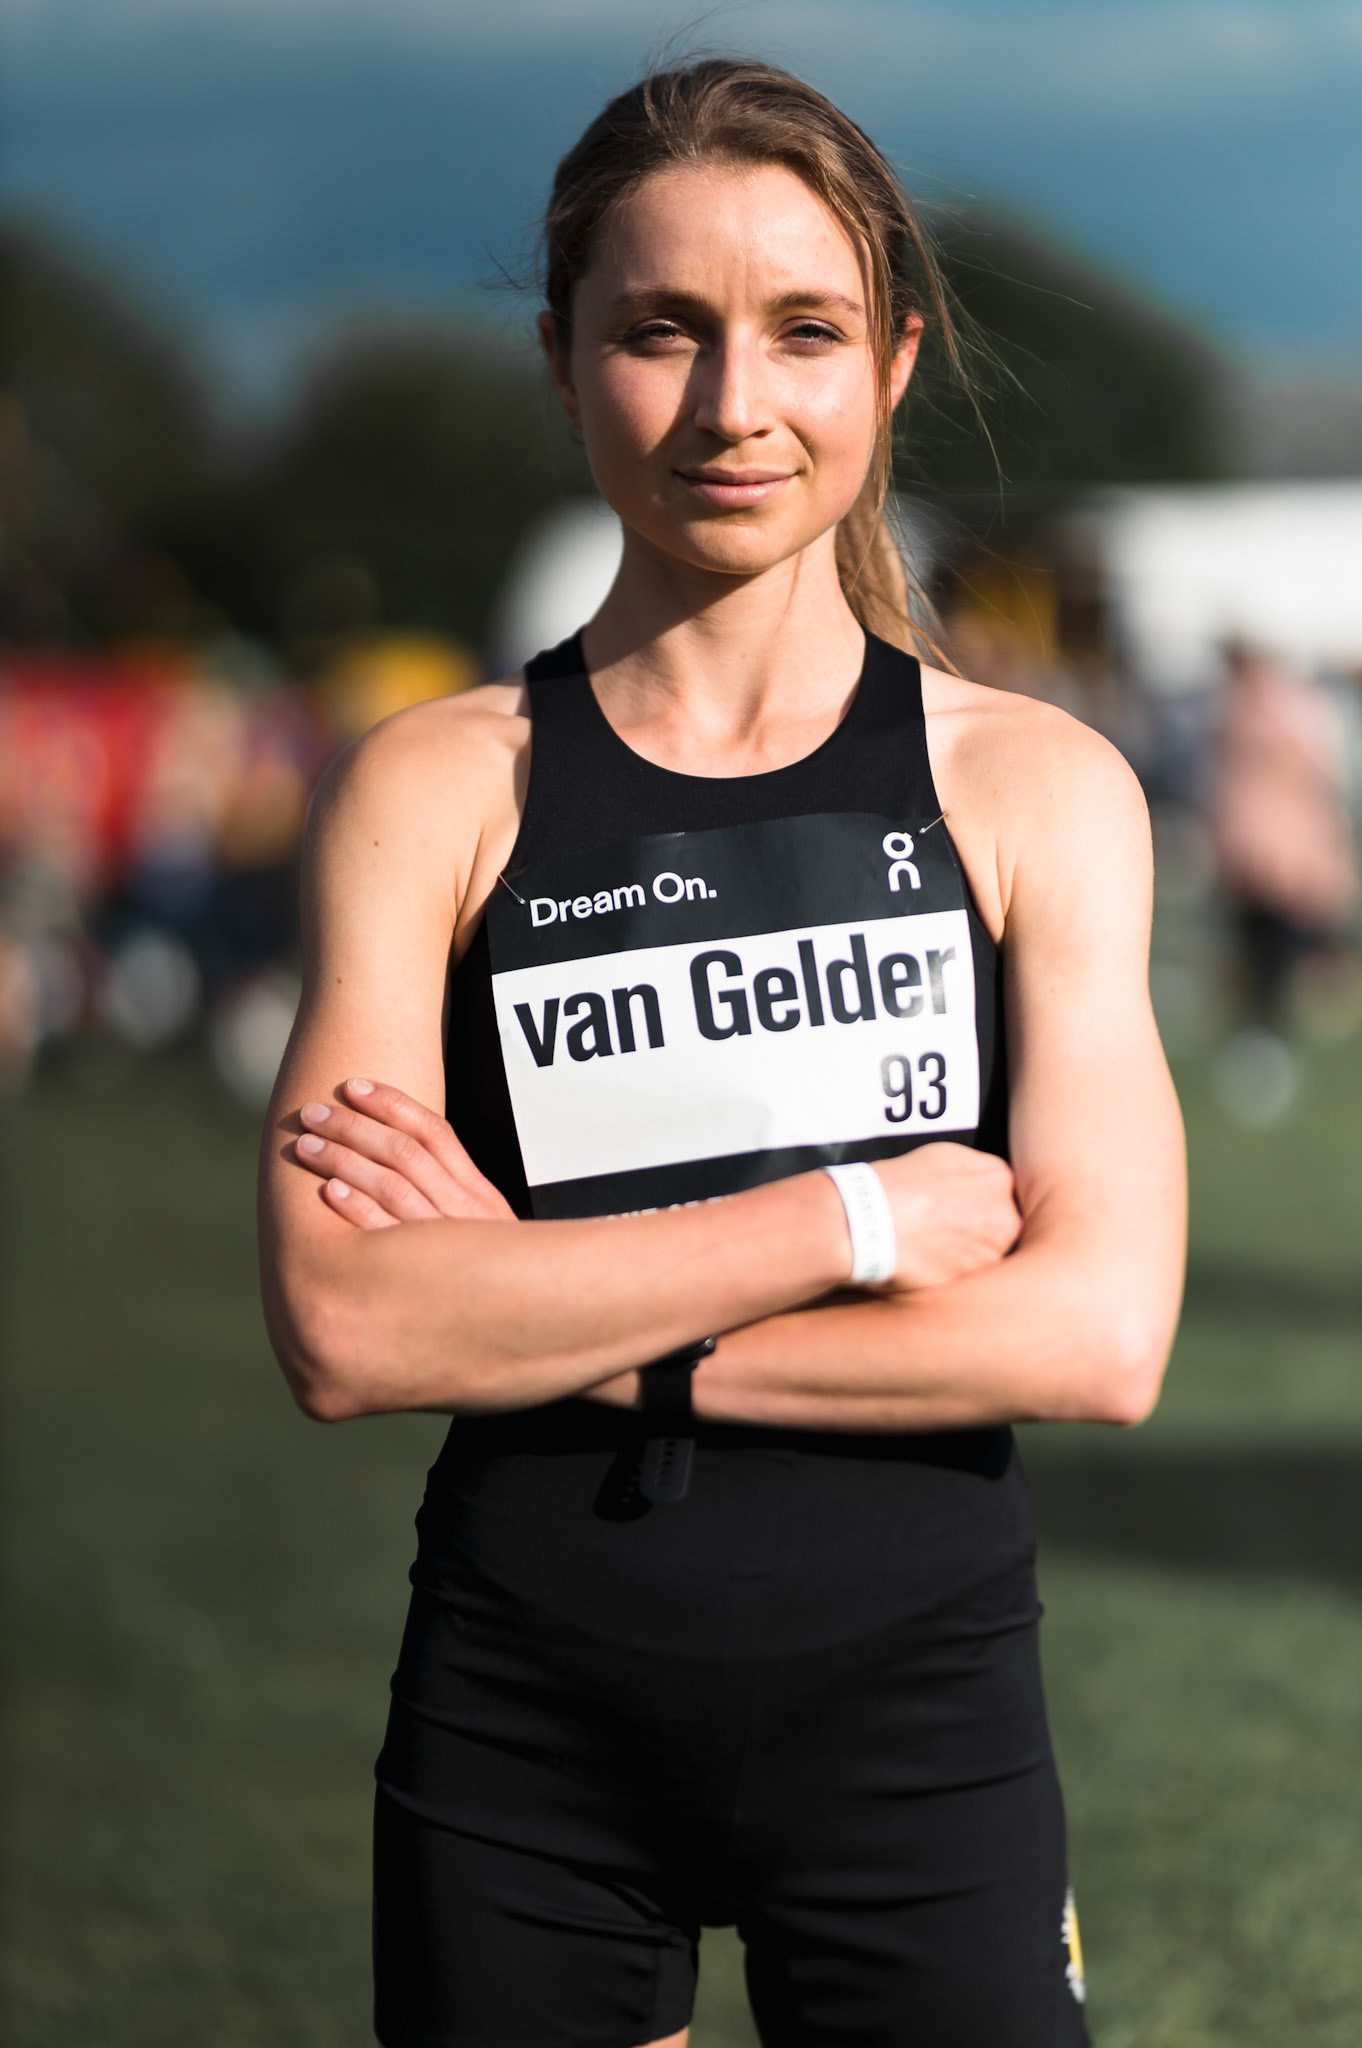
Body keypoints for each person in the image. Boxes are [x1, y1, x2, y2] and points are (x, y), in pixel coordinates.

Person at [259, 58, 1185, 2048]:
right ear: (561, 358)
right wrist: (853, 1220)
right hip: (523, 1730)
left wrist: (535, 1306)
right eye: (660, 329)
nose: (732, 404)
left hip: (921, 1721)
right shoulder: (434, 790)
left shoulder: (1036, 789)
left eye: (805, 331)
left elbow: (1096, 1338)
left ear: (898, 360)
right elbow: (344, 1325)